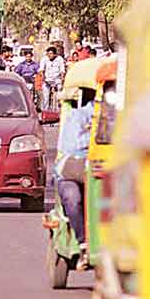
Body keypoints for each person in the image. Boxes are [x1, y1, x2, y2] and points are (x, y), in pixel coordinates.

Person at [55, 94, 95, 244]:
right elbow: (72, 146)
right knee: (73, 197)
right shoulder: (79, 116)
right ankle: (83, 241)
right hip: (74, 171)